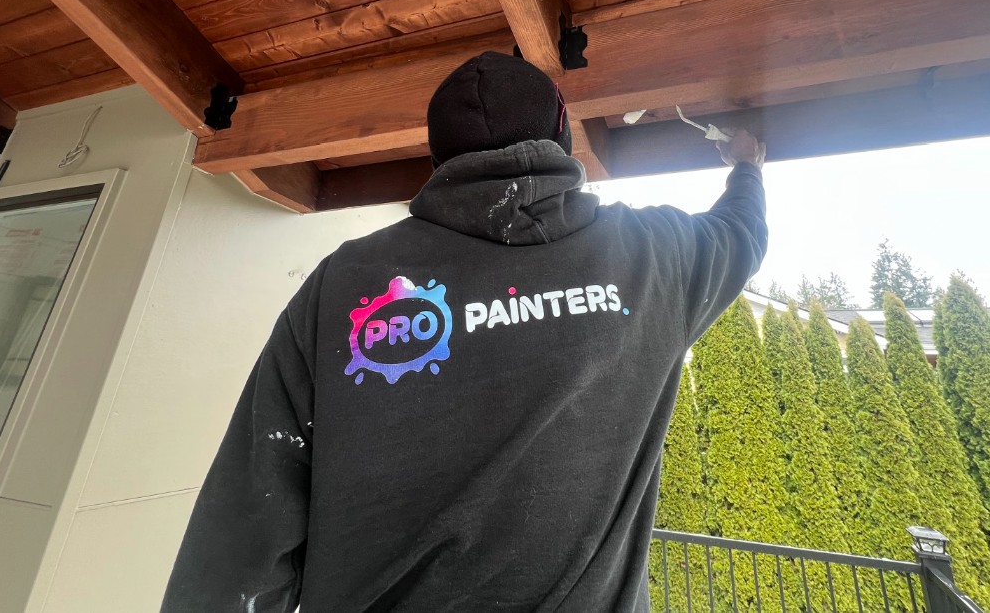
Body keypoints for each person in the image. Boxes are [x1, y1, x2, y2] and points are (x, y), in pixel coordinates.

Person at [161, 50, 767, 613]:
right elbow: (741, 233)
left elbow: (246, 524)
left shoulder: (345, 285)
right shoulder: (654, 256)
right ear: (562, 136)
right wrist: (746, 168)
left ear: (439, 160)